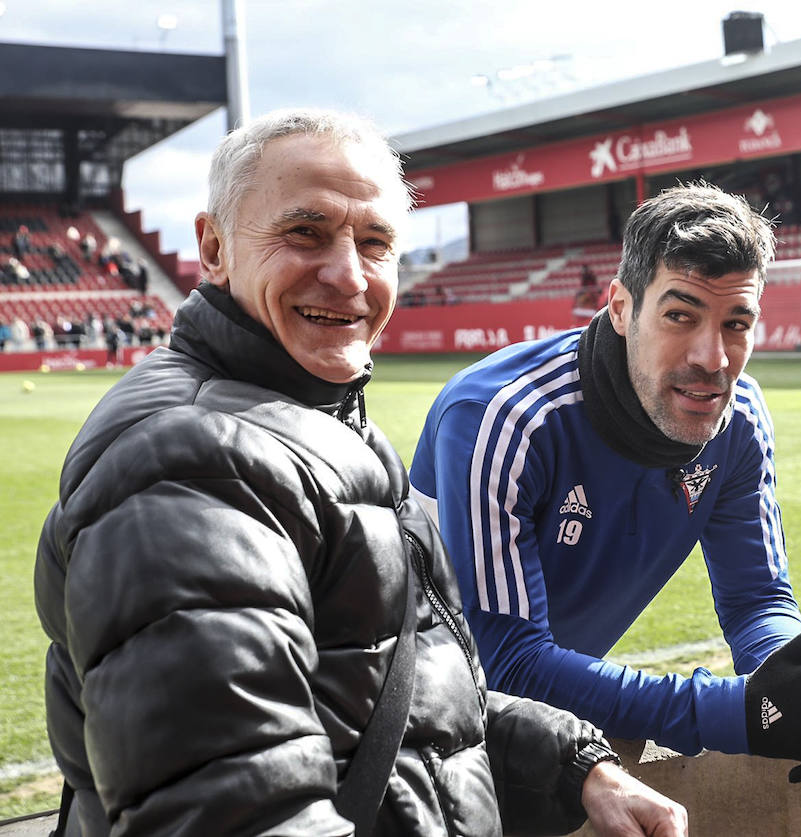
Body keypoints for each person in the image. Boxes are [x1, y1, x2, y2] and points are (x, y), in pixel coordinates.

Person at [34, 108, 686, 837]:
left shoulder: (319, 421)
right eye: (304, 232)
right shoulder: (190, 465)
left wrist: (572, 765)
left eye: (375, 243)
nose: (348, 275)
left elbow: (385, 708)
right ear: (214, 249)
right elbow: (239, 808)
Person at [411, 182, 801, 781]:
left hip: (535, 721)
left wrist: (796, 683)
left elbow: (757, 600)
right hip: (414, 719)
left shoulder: (738, 421)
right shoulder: (502, 418)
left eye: (736, 323)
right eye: (680, 316)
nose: (712, 358)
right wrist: (734, 713)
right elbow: (505, 662)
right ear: (621, 309)